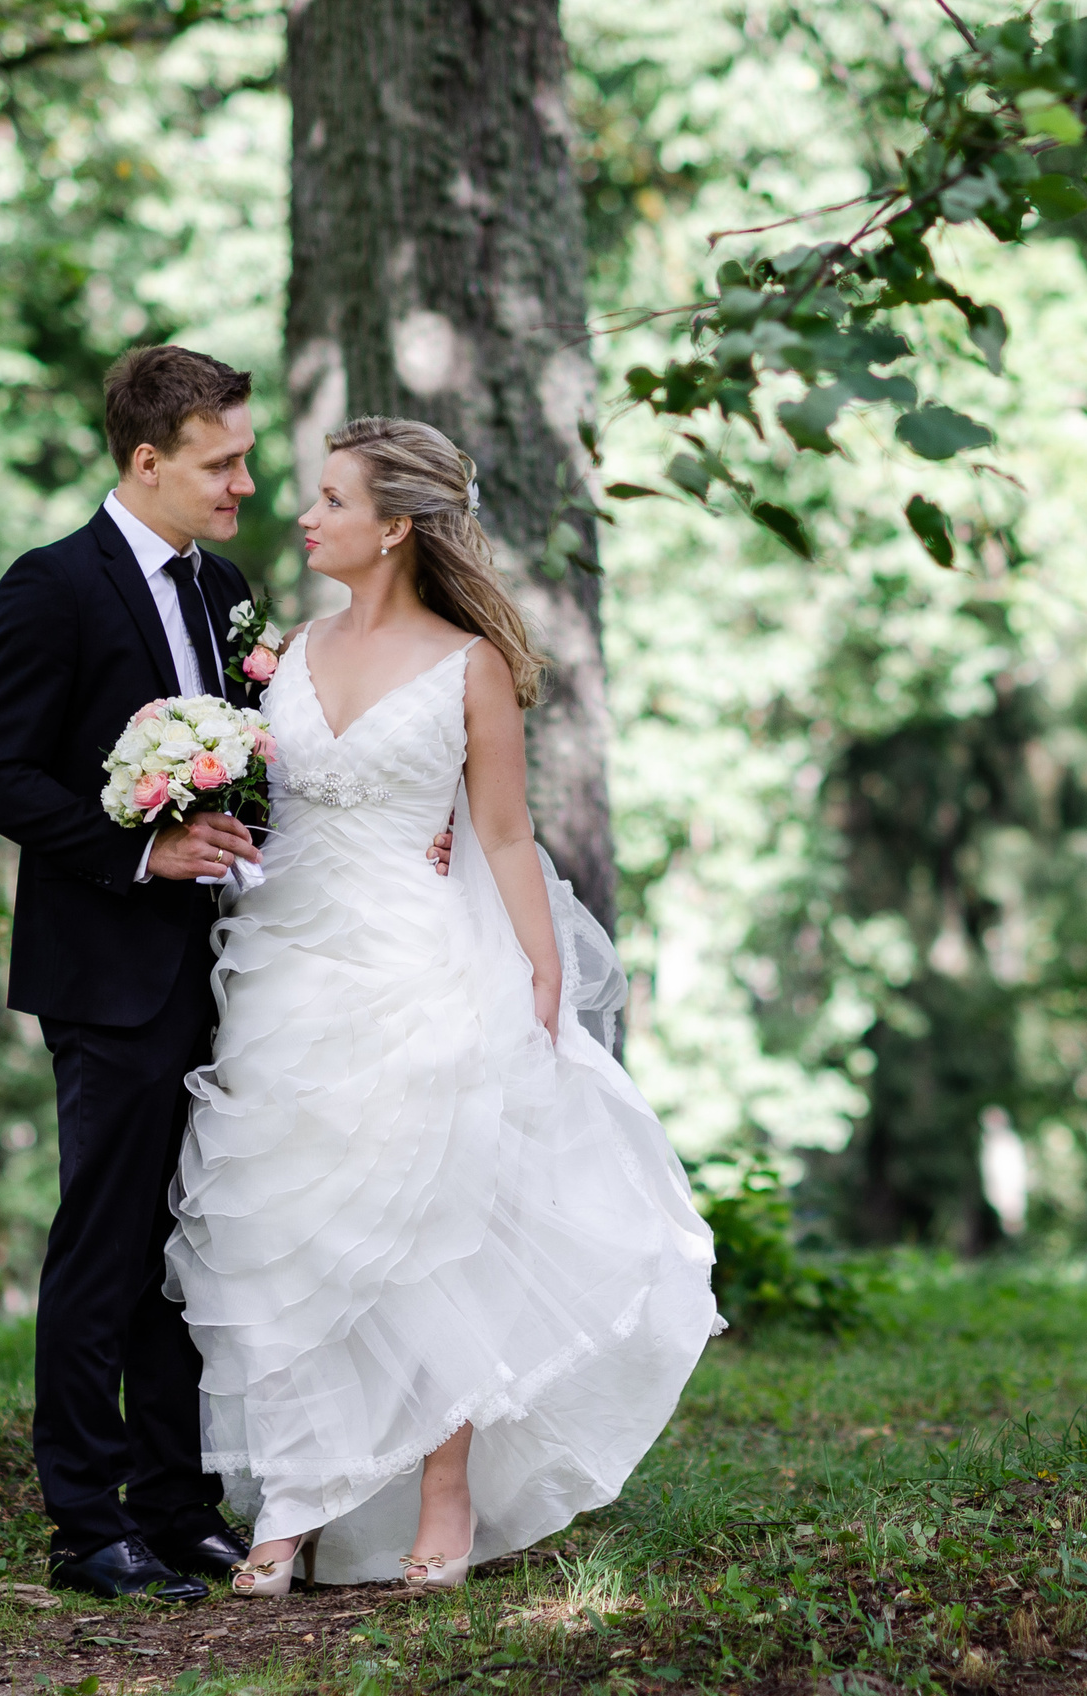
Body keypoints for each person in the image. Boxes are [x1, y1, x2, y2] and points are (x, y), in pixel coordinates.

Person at [163, 416, 721, 1596]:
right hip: (284, 970)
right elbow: (266, 807)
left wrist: (541, 974)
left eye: (331, 499)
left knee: (427, 1228)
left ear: (395, 528)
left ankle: (445, 1488)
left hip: (420, 966)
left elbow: (505, 834)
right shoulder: (284, 652)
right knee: (288, 1228)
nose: (303, 515)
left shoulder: (470, 665)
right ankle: (294, 1497)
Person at [0, 349, 453, 1602]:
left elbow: (268, 768)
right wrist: (142, 849)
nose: (245, 483)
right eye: (221, 462)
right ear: (148, 461)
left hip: (239, 968)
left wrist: (397, 832)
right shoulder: (52, 585)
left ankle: (177, 1507)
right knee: (108, 1244)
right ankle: (87, 1522)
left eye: (244, 459)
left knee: (194, 1250)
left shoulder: (223, 588)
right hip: (107, 971)